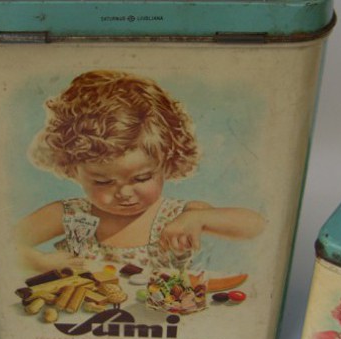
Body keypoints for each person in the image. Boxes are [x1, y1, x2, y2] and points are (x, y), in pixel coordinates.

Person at [17, 70, 265, 272]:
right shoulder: (72, 215)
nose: (124, 193)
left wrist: (197, 219)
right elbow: (4, 244)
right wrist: (39, 261)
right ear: (72, 169)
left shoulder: (177, 215)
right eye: (103, 181)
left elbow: (256, 225)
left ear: (167, 163)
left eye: (142, 178)